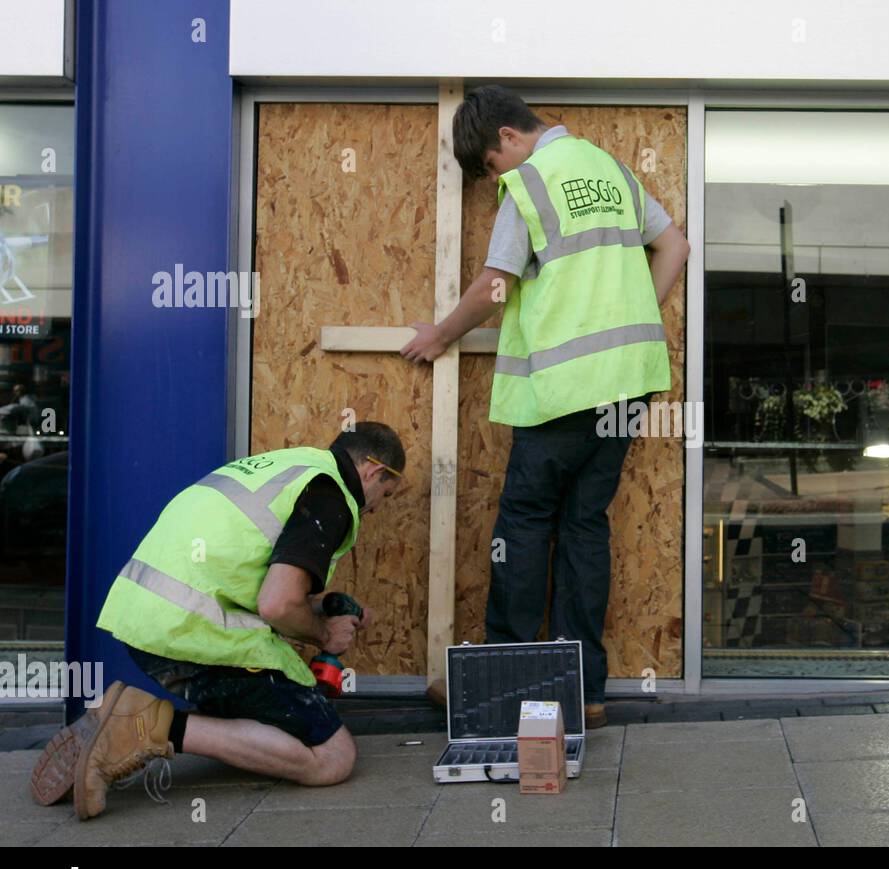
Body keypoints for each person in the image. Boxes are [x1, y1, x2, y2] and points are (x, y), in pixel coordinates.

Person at [400, 85, 690, 728]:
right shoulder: (610, 168)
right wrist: (638, 312)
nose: (496, 179)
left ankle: (504, 676)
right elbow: (676, 247)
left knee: (525, 525)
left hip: (564, 389)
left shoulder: (530, 183)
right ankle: (584, 691)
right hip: (628, 381)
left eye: (491, 168)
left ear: (507, 137)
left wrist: (440, 335)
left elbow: (494, 286)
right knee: (585, 526)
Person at [29, 422, 405, 819]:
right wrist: (325, 635)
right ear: (373, 471)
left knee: (274, 722)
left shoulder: (290, 466)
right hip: (191, 635)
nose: (378, 507)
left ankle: (125, 723)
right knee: (332, 756)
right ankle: (143, 725)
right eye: (386, 493)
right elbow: (278, 605)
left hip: (146, 620)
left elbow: (259, 591)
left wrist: (320, 611)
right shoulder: (332, 496)